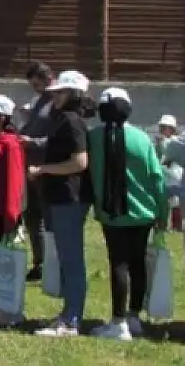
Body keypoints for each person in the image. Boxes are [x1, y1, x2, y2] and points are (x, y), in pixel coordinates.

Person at [87, 87, 168, 341]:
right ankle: (134, 317)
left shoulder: (94, 137)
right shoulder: (142, 139)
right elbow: (157, 179)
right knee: (138, 264)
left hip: (113, 213)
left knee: (119, 263)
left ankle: (118, 322)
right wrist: (163, 211)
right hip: (144, 212)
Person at [28, 70, 92, 338]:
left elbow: (79, 162)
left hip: (69, 196)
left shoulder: (71, 120)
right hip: (62, 196)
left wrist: (43, 170)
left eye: (61, 91)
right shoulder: (64, 118)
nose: (55, 95)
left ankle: (71, 319)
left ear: (74, 94)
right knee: (67, 258)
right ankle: (69, 314)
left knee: (71, 258)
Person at [19, 61, 56, 282]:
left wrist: (34, 142)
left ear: (48, 78)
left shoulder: (57, 103)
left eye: (37, 83)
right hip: (30, 167)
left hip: (46, 167)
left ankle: (52, 263)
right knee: (32, 217)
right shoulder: (39, 101)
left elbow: (58, 138)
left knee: (48, 218)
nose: (35, 88)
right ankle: (39, 262)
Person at [0, 95, 25, 243]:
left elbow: (14, 181)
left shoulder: (11, 144)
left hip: (0, 212)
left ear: (2, 118)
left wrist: (11, 215)